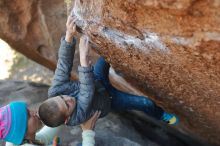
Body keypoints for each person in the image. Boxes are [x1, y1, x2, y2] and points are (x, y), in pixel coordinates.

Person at [38, 15, 179, 128]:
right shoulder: (77, 118)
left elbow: (63, 66)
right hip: (110, 100)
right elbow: (86, 92)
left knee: (107, 54)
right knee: (145, 103)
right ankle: (160, 115)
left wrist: (69, 36)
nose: (67, 98)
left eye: (62, 97)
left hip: (97, 80)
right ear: (67, 118)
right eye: (67, 105)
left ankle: (129, 42)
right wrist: (83, 59)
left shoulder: (55, 91)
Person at [1, 101, 100, 145]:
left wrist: (60, 116)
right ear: (21, 131)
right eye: (29, 115)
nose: (34, 112)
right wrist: (88, 132)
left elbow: (44, 138)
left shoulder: (19, 139)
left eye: (28, 110)